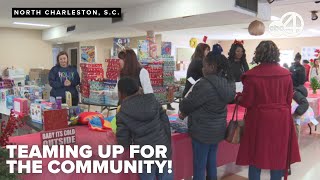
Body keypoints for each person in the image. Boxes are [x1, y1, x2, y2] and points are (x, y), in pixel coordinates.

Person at [235, 41, 301, 180]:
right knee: (278, 156)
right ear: (276, 54)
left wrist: (239, 97)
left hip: (259, 120)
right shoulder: (286, 75)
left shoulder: (252, 75)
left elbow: (247, 102)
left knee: (255, 156)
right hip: (281, 120)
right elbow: (289, 100)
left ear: (258, 54)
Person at [179, 52, 236, 180]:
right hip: (218, 130)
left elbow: (187, 105)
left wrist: (183, 107)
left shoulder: (204, 84)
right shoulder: (227, 84)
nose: (202, 69)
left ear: (212, 67)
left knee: (199, 166)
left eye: (204, 66)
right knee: (211, 163)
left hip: (202, 131)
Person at [116, 77, 173, 180]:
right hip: (163, 149)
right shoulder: (152, 99)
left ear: (121, 93)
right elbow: (165, 122)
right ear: (138, 88)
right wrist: (166, 142)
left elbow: (123, 141)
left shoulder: (122, 112)